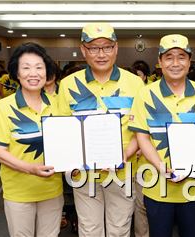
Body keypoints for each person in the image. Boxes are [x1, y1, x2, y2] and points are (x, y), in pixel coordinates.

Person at [57, 22, 142, 237]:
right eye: (94, 48)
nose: (101, 54)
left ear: (116, 48)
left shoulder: (135, 83)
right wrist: (71, 163)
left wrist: (125, 154)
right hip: (84, 173)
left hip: (123, 170)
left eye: (106, 47)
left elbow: (141, 131)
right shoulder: (68, 85)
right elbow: (63, 131)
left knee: (120, 228)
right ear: (83, 50)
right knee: (89, 229)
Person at [128, 34, 195, 237]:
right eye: (169, 57)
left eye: (181, 56)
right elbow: (142, 137)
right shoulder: (145, 94)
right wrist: (161, 167)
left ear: (190, 61)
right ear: (159, 62)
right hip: (156, 184)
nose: (175, 63)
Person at [0, 42, 63, 236]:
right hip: (19, 192)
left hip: (52, 190)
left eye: (39, 67)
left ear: (47, 72)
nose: (34, 73)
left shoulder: (58, 105)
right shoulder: (3, 107)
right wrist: (31, 168)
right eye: (26, 68)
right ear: (17, 73)